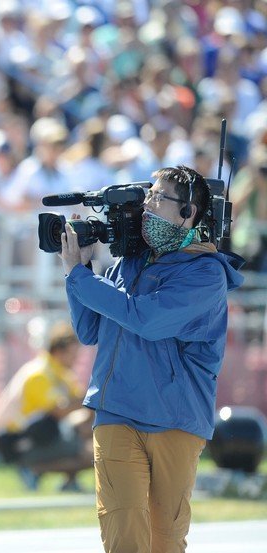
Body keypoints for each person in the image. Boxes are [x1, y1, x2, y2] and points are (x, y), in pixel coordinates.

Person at [57, 165, 244, 553]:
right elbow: (89, 330)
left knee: (165, 539)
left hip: (175, 420)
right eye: (148, 197)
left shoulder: (206, 274)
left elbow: (148, 319)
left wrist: (79, 278)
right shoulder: (128, 263)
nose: (147, 207)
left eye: (159, 199)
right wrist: (81, 269)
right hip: (116, 412)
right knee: (122, 531)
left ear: (188, 213)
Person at [0, 321, 93, 492]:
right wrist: (91, 401)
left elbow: (78, 407)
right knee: (92, 453)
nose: (76, 360)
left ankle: (68, 480)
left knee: (90, 436)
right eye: (73, 355)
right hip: (18, 442)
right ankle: (34, 469)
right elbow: (59, 411)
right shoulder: (38, 373)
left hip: (41, 437)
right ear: (59, 352)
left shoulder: (61, 373)